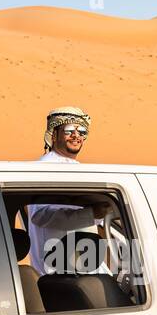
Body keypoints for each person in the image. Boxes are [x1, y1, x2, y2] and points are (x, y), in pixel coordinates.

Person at [27, 107, 112, 274]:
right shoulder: (43, 169)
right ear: (54, 134)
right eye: (69, 130)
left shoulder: (77, 169)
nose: (76, 136)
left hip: (83, 270)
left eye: (81, 131)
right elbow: (41, 216)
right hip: (58, 274)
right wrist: (92, 214)